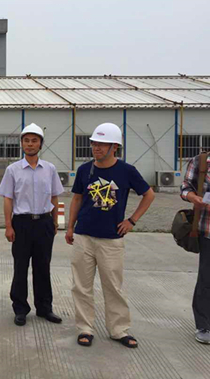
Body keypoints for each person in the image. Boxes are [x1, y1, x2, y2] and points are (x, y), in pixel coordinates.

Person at [65, 122, 155, 349]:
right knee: (81, 286)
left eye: (102, 144)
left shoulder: (127, 171)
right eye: (94, 143)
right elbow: (77, 198)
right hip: (84, 236)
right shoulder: (85, 170)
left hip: (111, 239)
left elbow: (148, 194)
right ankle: (85, 328)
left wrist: (132, 220)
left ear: (115, 146)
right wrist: (70, 227)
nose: (96, 147)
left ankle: (118, 329)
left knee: (114, 287)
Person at [0, 123, 64, 327]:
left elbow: (55, 197)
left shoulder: (49, 169)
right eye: (26, 140)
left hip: (44, 223)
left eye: (34, 141)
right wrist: (8, 226)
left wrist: (56, 222)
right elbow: (8, 198)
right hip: (22, 224)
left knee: (43, 267)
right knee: (20, 267)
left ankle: (44, 308)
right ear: (22, 144)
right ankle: (20, 309)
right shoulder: (13, 170)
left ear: (41, 144)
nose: (30, 144)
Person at [180, 152, 210, 344]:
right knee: (206, 280)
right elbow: (185, 189)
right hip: (208, 231)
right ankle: (204, 325)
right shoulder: (201, 162)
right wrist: (195, 199)